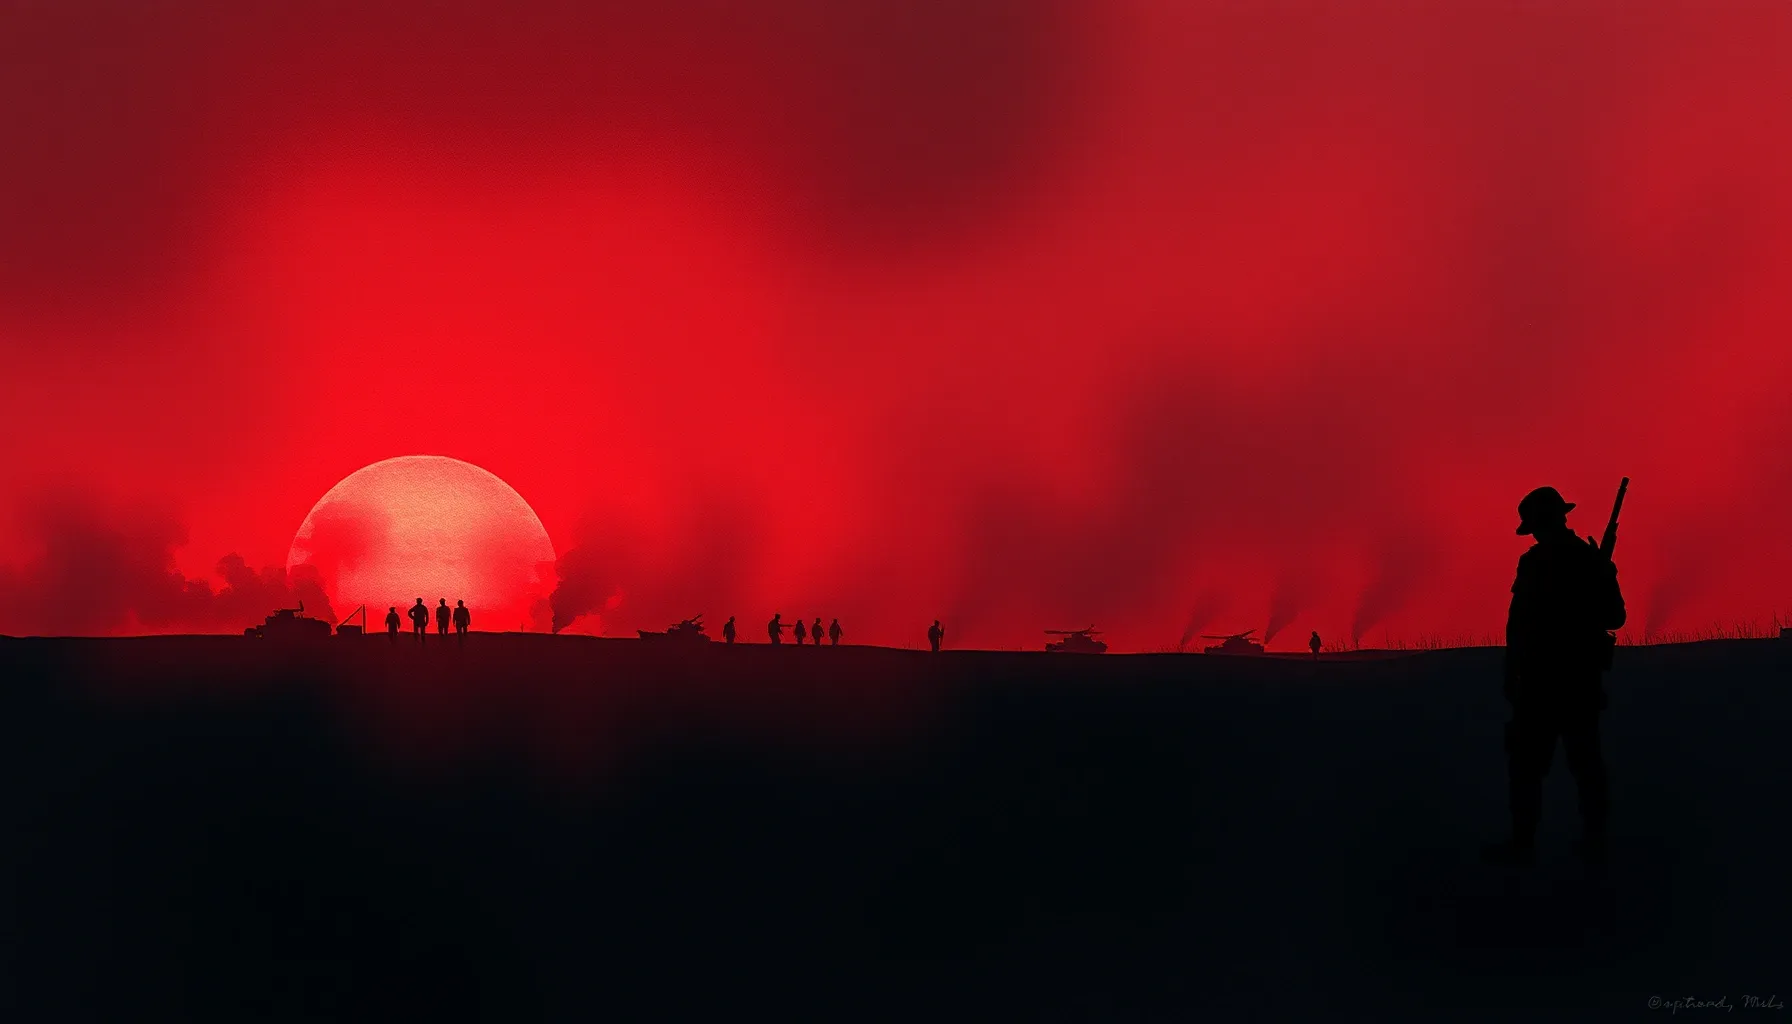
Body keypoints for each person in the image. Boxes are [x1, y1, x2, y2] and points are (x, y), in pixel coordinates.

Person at [1486, 485, 1626, 867]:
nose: (1534, 534)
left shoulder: (1541, 562)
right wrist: (1604, 573)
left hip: (1551, 681)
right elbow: (1614, 617)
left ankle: (1529, 844)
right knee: (1576, 764)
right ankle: (1588, 841)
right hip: (1569, 681)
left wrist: (1511, 672)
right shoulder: (1581, 560)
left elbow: (1518, 626)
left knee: (1539, 765)